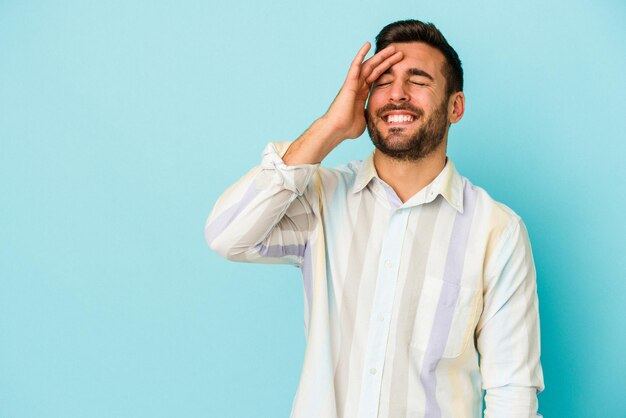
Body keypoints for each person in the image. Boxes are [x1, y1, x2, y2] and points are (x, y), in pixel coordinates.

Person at [205, 19, 544, 418]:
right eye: (382, 81)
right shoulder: (319, 198)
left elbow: (513, 394)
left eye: (418, 80)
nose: (397, 94)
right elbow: (227, 235)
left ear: (456, 107)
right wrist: (329, 128)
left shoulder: (497, 231)